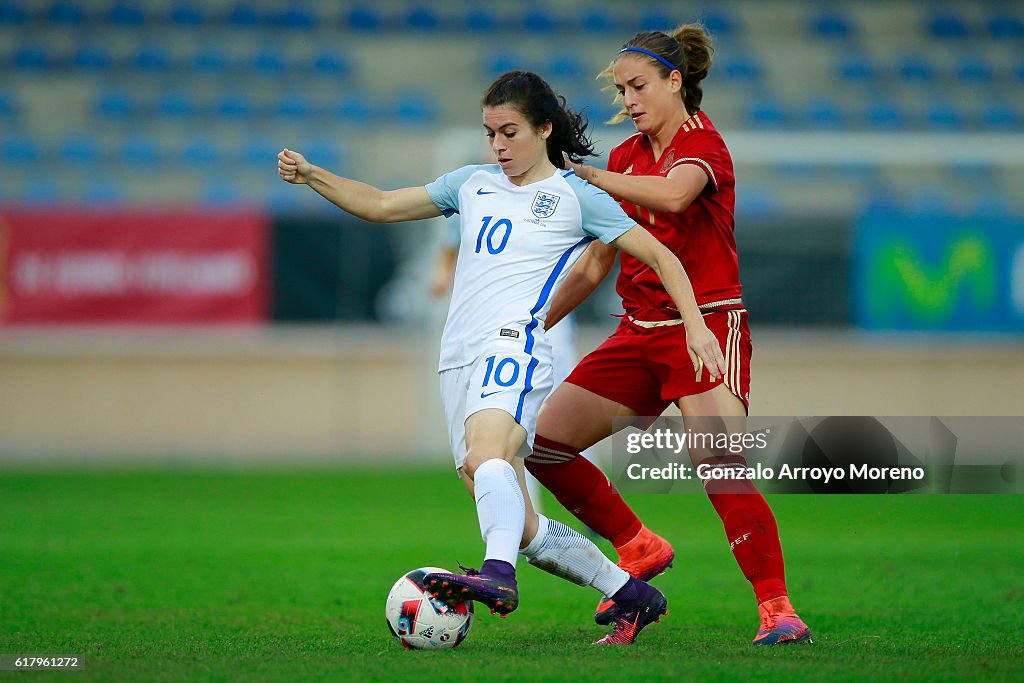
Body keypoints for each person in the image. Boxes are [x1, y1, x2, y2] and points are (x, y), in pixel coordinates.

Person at [277, 70, 726, 645]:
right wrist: (313, 175)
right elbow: (384, 205)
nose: (498, 146)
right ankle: (630, 592)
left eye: (509, 132)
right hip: (458, 355)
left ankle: (496, 577)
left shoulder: (575, 196)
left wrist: (696, 326)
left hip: (515, 345)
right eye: (491, 134)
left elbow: (661, 254)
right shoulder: (471, 184)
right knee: (513, 516)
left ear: (543, 129)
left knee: (490, 454)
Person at [525, 26, 813, 646]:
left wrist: (591, 179)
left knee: (718, 461)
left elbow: (678, 197)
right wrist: (531, 324)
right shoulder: (626, 157)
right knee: (543, 445)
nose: (628, 99)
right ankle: (639, 545)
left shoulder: (703, 145)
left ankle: (778, 610)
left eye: (638, 85)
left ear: (675, 81)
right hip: (637, 333)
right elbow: (598, 263)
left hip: (705, 326)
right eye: (622, 89)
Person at [430, 217, 604, 516]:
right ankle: (526, 515)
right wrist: (443, 273)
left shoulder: (559, 191)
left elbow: (600, 246)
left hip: (547, 316)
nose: (498, 165)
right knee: (513, 425)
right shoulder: (477, 189)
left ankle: (592, 502)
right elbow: (452, 239)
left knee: (565, 414)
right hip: (496, 328)